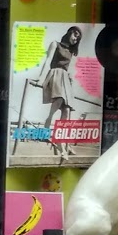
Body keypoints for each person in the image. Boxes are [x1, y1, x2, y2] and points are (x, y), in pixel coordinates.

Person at [31, 26, 82, 163]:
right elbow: (47, 61)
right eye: (74, 35)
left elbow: (68, 68)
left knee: (66, 110)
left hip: (65, 78)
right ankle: (48, 129)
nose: (75, 38)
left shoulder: (71, 52)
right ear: (69, 32)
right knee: (59, 99)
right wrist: (41, 79)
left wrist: (70, 79)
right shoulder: (55, 44)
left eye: (77, 38)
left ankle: (63, 142)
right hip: (54, 74)